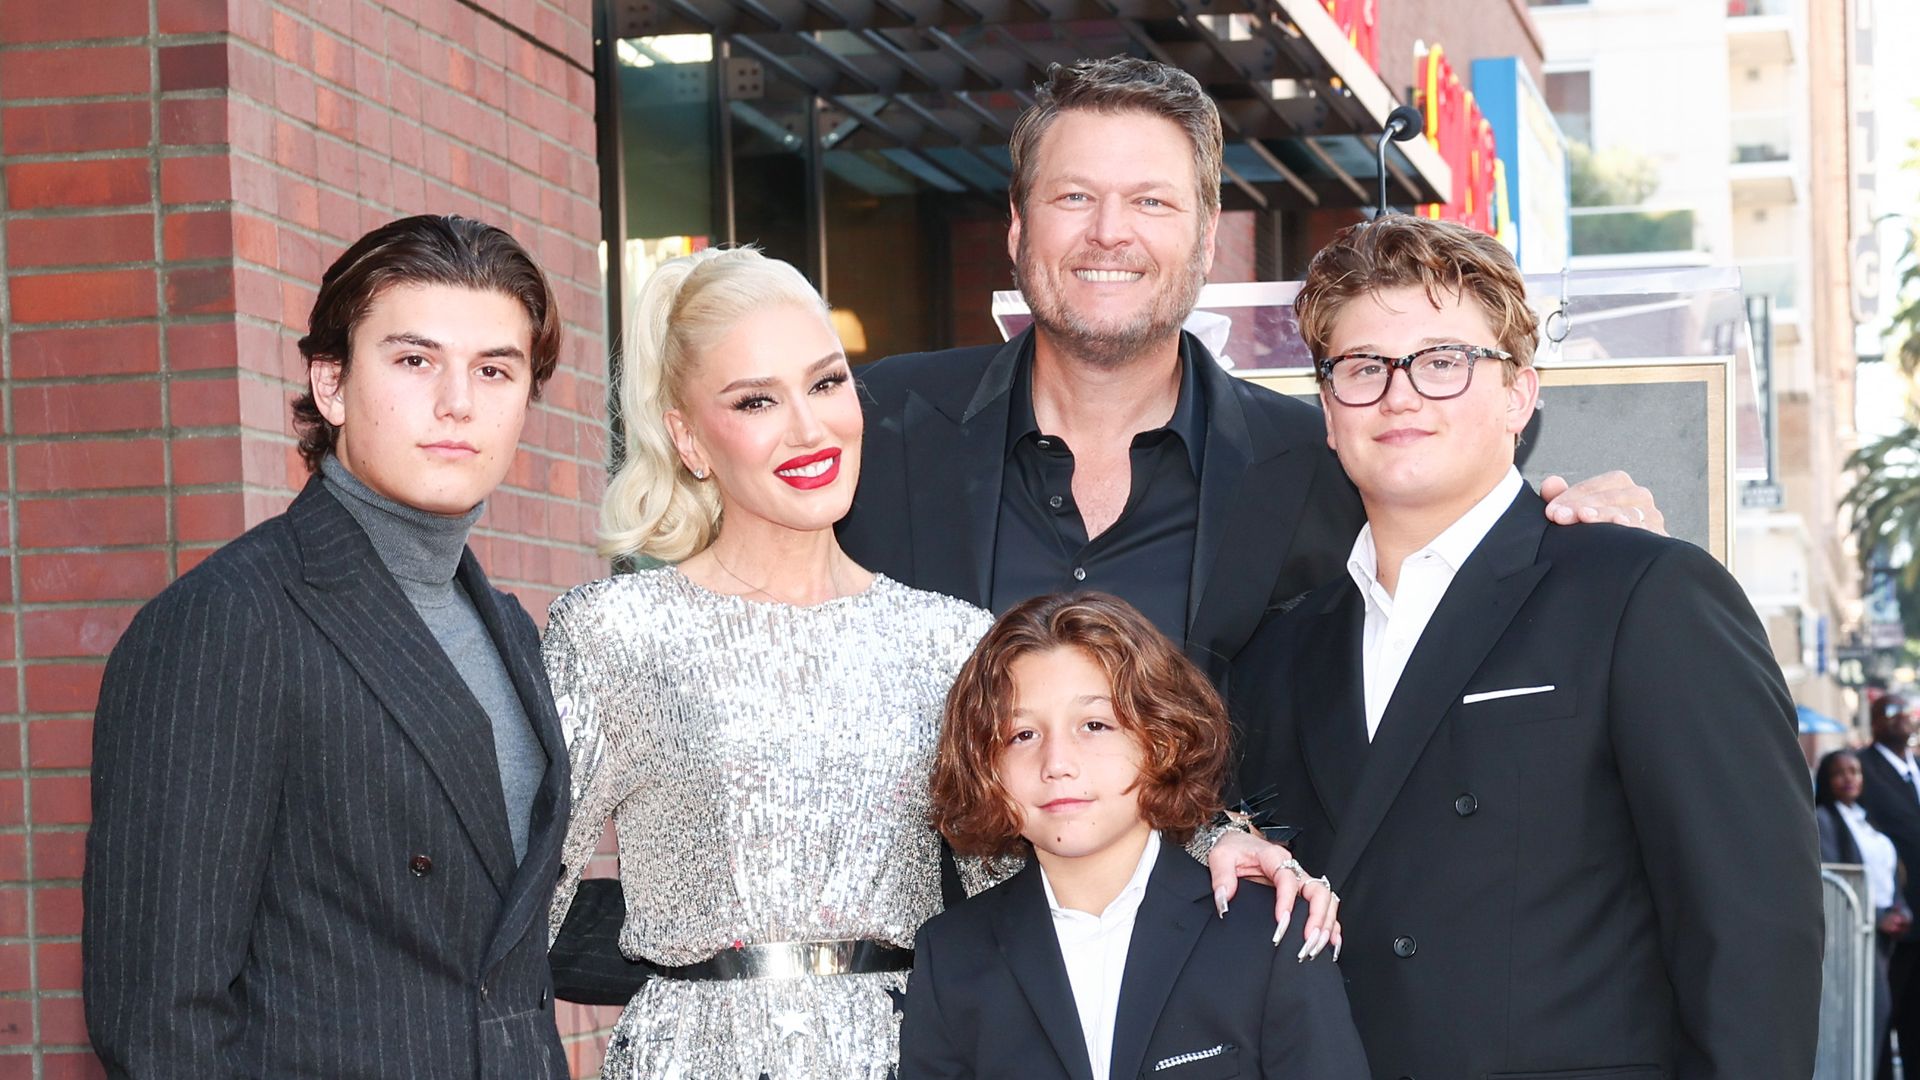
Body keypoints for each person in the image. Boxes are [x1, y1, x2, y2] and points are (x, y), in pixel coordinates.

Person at [841, 55, 1662, 692]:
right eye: (1073, 198)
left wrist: (1587, 531)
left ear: (1205, 242)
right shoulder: (879, 423)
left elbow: (1475, 539)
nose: (1109, 233)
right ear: (1018, 230)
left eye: (1152, 202)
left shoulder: (1330, 466)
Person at [1230, 213, 1823, 1078]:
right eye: (1362, 367)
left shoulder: (1642, 595)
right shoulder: (1280, 654)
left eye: (1442, 361)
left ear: (1518, 394)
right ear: (1327, 410)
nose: (1399, 394)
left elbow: (1754, 931)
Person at [84, 215, 572, 1078]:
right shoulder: (231, 621)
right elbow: (160, 1018)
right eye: (414, 360)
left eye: (494, 370)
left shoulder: (507, 626)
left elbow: (486, 938)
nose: (457, 401)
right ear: (333, 383)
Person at [900, 592, 1370, 1079]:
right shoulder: (952, 955)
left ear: (1161, 739)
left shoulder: (1268, 934)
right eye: (1022, 735)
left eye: (1095, 725)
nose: (1057, 763)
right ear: (984, 766)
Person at [1818, 748, 1910, 1069]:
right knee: (1866, 1017)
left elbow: (1888, 875)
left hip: (1887, 938)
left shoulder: (1867, 819)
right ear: (1827, 780)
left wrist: (1900, 911)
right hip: (1854, 934)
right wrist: (1878, 916)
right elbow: (1836, 877)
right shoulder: (1824, 819)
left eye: (1855, 771)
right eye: (1839, 772)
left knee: (1885, 1020)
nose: (1849, 779)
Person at [1855, 694, 1920, 1078]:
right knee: (1882, 1017)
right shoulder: (1861, 769)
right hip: (1891, 922)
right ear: (1875, 722)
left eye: (1904, 711)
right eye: (1888, 712)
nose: (1899, 718)